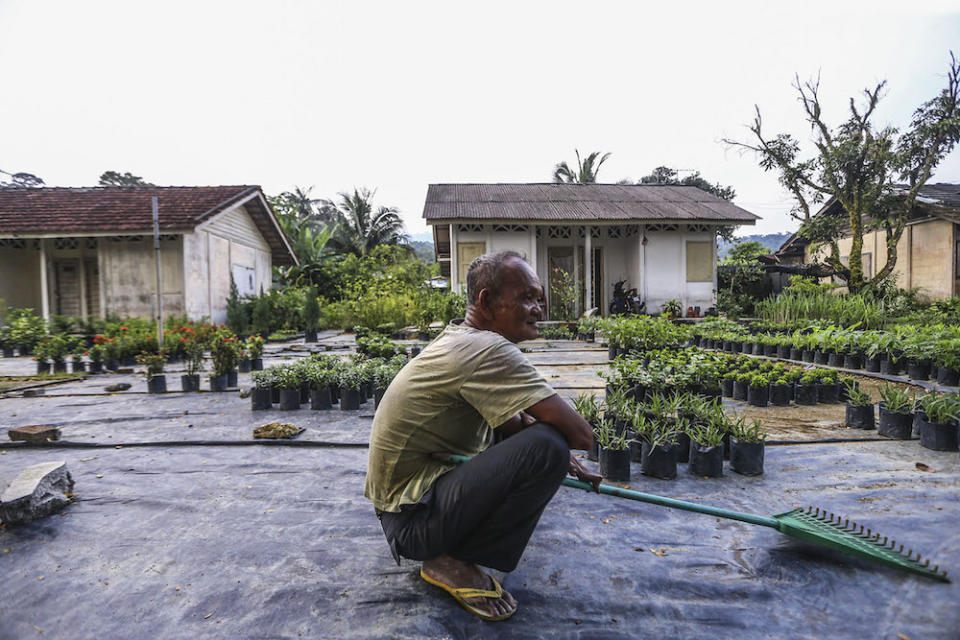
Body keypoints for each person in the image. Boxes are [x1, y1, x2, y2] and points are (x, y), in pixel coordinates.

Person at [364, 250, 600, 622]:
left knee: (532, 439)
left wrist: (564, 459)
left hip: (403, 509)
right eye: (526, 298)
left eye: (539, 298)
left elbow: (512, 421)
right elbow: (581, 435)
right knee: (548, 447)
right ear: (486, 301)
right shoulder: (488, 349)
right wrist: (563, 454)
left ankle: (454, 545)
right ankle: (452, 561)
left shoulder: (462, 337)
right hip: (412, 523)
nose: (538, 308)